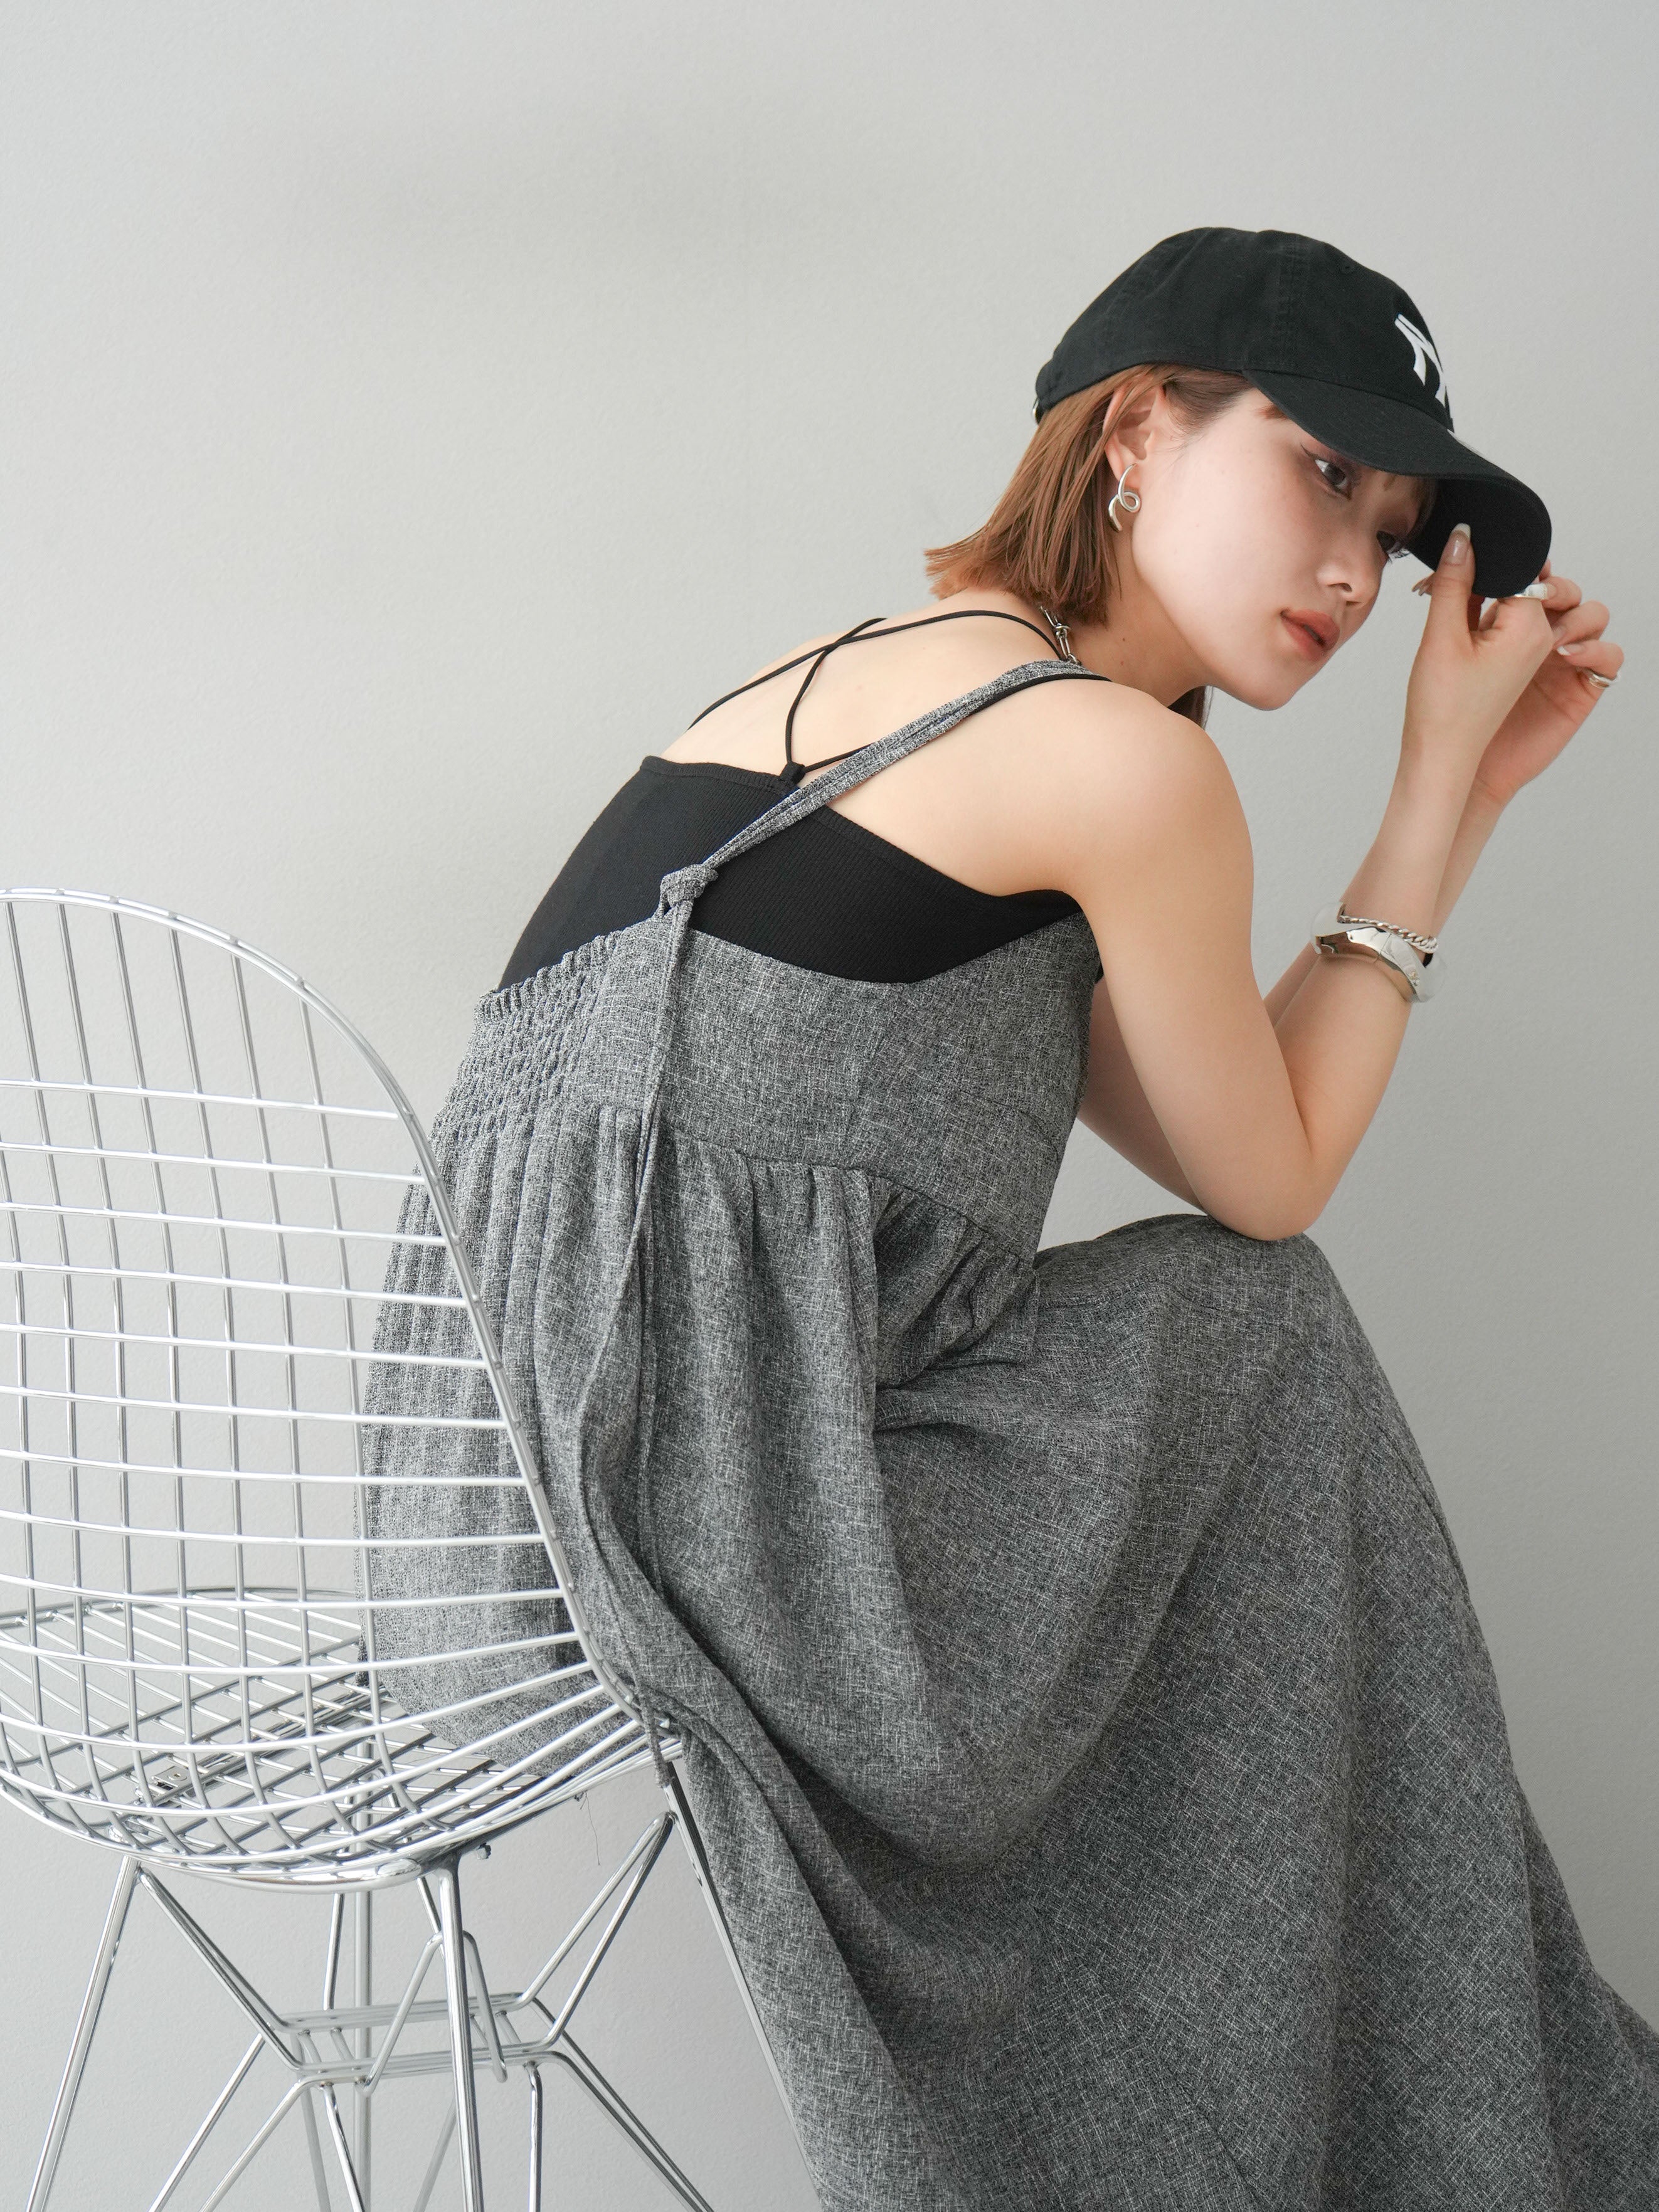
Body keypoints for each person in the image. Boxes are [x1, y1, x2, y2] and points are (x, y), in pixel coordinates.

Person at [369, 228, 1654, 2207]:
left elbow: (1224, 1127)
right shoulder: (1115, 767)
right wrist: (1430, 793)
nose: (1354, 569)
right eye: (1323, 472)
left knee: (1251, 1325)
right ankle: (1476, 2128)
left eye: (1394, 535)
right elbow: (1272, 1184)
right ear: (1134, 432)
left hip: (485, 1515)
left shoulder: (866, 683)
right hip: (737, 1529)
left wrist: (1463, 792)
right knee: (1270, 1327)